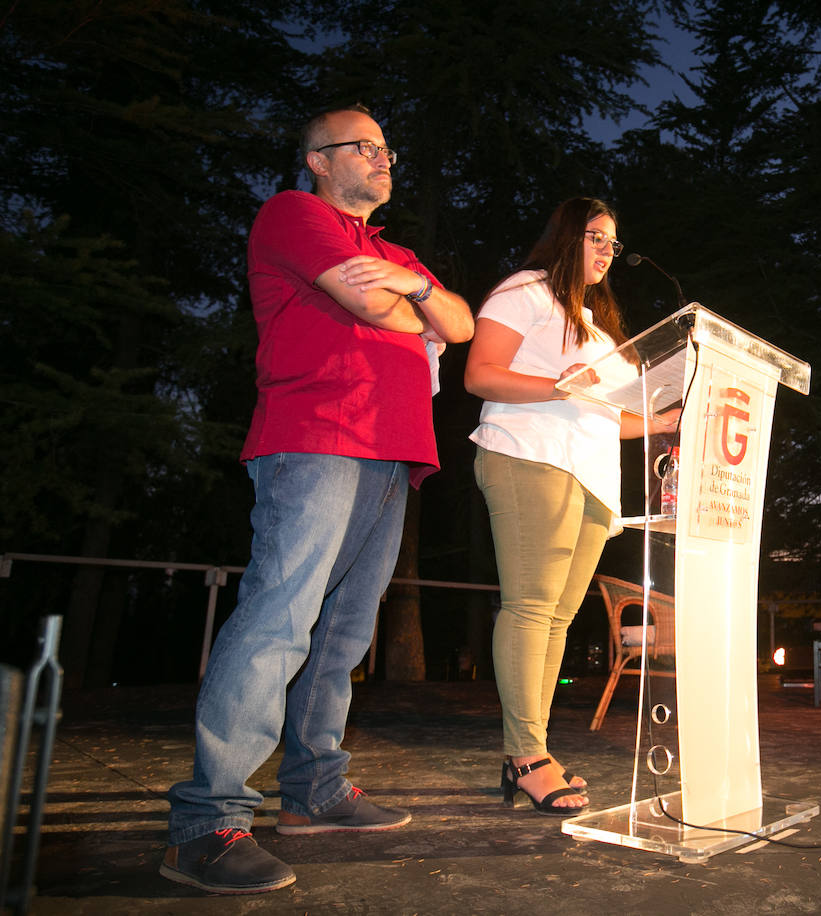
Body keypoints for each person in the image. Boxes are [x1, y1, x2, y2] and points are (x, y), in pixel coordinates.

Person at [162, 104, 474, 894]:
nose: (383, 158)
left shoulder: (394, 251)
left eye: (387, 148)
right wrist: (417, 306)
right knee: (280, 616)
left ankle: (313, 790)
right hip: (317, 434)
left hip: (394, 451)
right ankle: (207, 822)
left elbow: (462, 325)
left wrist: (413, 284)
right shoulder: (294, 215)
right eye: (363, 147)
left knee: (343, 634)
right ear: (318, 161)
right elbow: (373, 307)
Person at [465, 197, 676, 815]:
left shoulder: (598, 325)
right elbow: (480, 373)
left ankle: (528, 753)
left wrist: (666, 419)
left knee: (557, 619)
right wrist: (556, 386)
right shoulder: (525, 291)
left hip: (589, 475)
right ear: (564, 237)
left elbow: (609, 418)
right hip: (530, 456)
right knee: (531, 608)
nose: (608, 251)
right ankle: (527, 755)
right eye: (596, 237)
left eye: (614, 241)